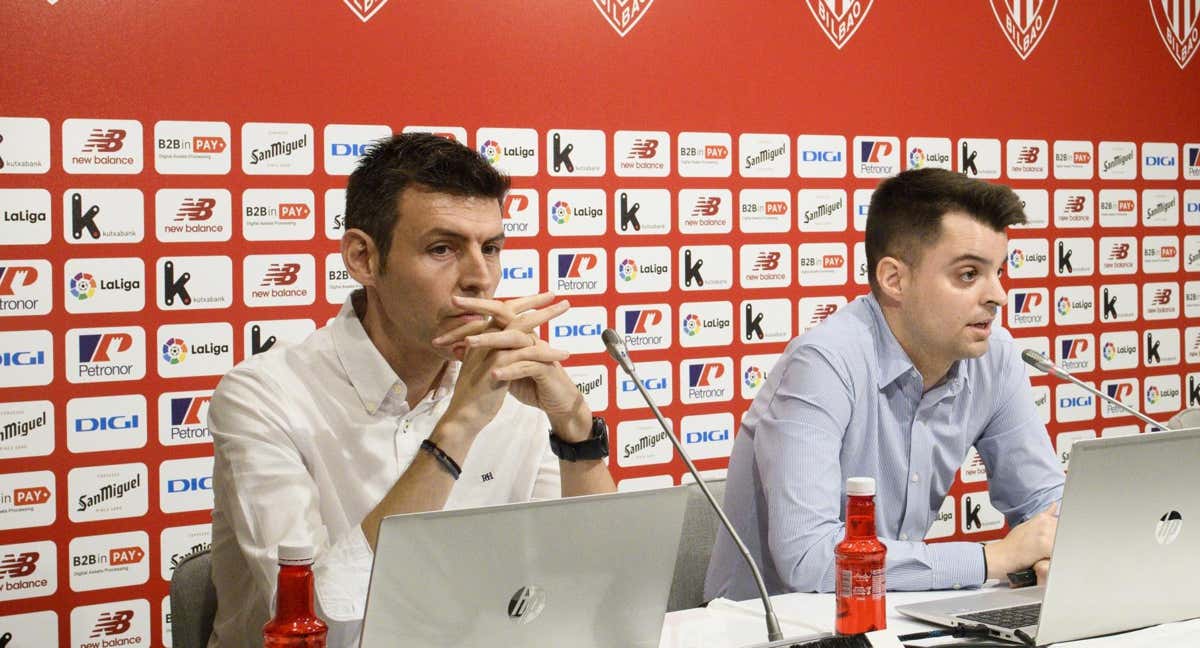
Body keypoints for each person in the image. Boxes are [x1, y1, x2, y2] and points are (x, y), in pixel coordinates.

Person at [207, 132, 616, 647]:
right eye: (442, 248)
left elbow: (597, 587)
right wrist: (457, 429)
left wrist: (576, 430)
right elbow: (316, 626)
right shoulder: (262, 397)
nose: (479, 278)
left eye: (490, 248)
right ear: (363, 258)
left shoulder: (511, 384)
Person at [705, 168, 1064, 601]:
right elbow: (809, 560)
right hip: (774, 630)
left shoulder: (994, 357)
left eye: (999, 271)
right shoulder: (824, 363)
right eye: (969, 275)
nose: (998, 295)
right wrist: (990, 559)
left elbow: (1047, 503)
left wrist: (1057, 545)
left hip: (893, 618)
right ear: (895, 280)